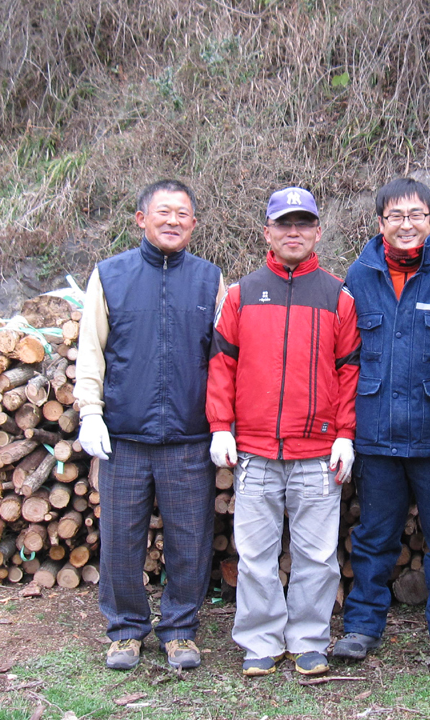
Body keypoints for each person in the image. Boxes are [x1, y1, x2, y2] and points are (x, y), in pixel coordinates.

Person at [206, 186, 361, 677]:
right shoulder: (240, 294)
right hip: (253, 451)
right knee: (254, 555)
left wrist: (345, 435)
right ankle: (260, 639)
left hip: (317, 452)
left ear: (317, 231)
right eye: (283, 224)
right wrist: (220, 426)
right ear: (267, 233)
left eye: (303, 224)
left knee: (317, 556)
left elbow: (349, 371)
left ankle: (309, 639)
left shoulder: (338, 296)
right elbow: (222, 366)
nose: (293, 233)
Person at [333, 178, 430, 669]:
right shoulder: (357, 277)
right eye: (395, 216)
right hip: (376, 435)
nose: (406, 224)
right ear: (379, 223)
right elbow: (344, 353)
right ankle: (360, 626)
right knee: (374, 538)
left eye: (416, 215)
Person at [75, 179, 224, 672]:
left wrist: (223, 423)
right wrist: (91, 412)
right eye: (163, 212)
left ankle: (180, 629)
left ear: (194, 224)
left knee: (190, 540)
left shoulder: (209, 279)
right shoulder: (110, 275)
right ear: (141, 218)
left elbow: (222, 360)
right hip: (125, 437)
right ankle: (125, 631)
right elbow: (92, 350)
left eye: (183, 214)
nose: (173, 221)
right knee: (120, 539)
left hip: (188, 436)